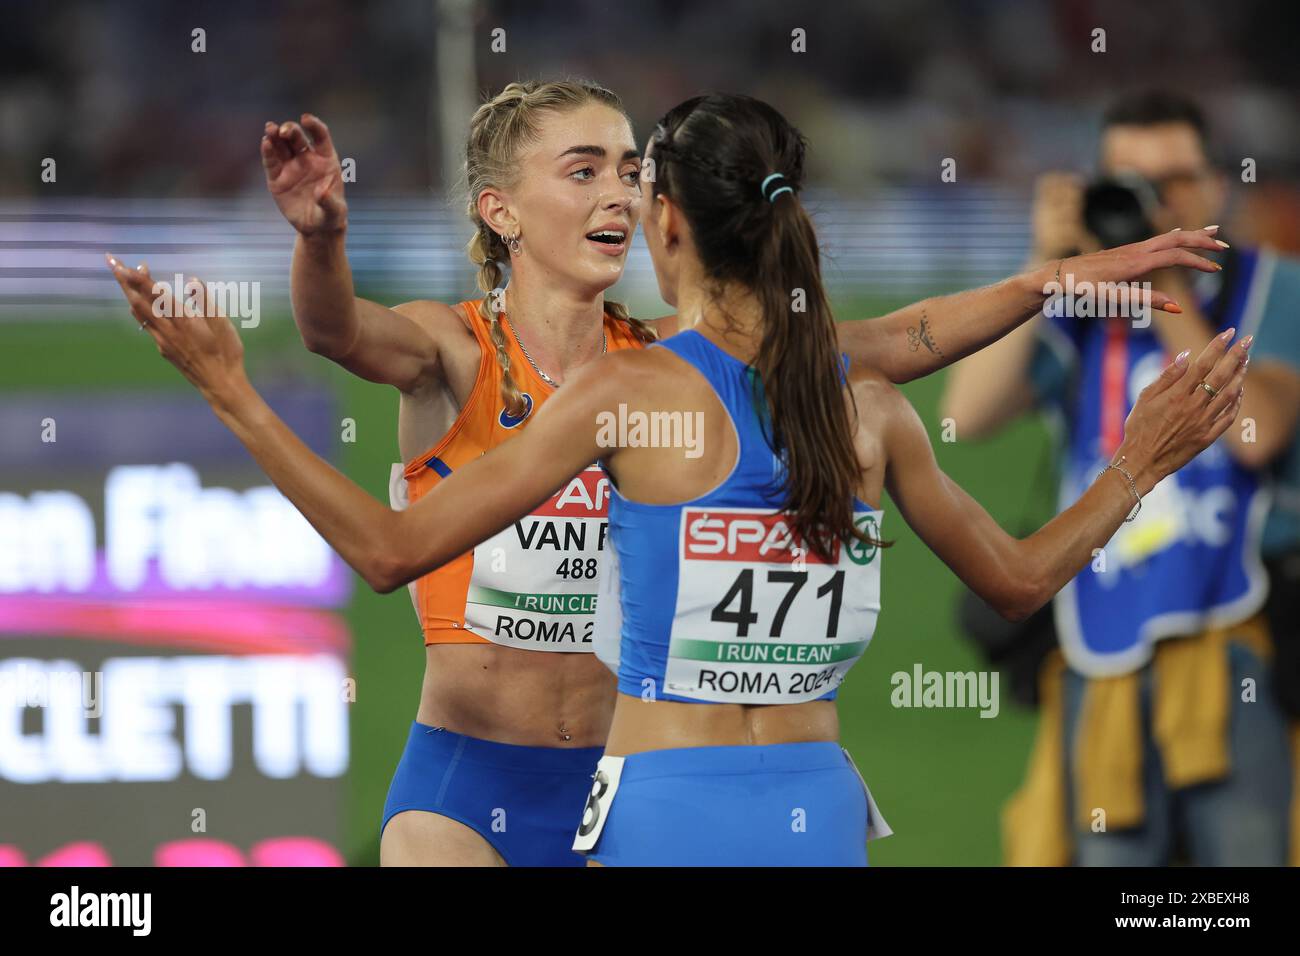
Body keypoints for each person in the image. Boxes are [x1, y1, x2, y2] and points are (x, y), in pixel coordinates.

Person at [109, 91, 1246, 866]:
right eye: (583, 166)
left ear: (664, 220)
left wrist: (229, 392)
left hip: (650, 801)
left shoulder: (632, 387)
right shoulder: (854, 397)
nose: (611, 193)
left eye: (627, 172)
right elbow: (913, 356)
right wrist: (1128, 444)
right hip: (803, 804)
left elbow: (383, 548)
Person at [942, 90, 1300, 865]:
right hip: (1100, 639)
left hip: (1235, 639)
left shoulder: (1273, 285)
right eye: (1132, 186)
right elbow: (963, 416)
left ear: (1215, 186)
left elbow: (1256, 433)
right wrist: (1043, 267)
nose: (1156, 204)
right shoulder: (1079, 303)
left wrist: (1161, 271)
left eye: (1173, 182)